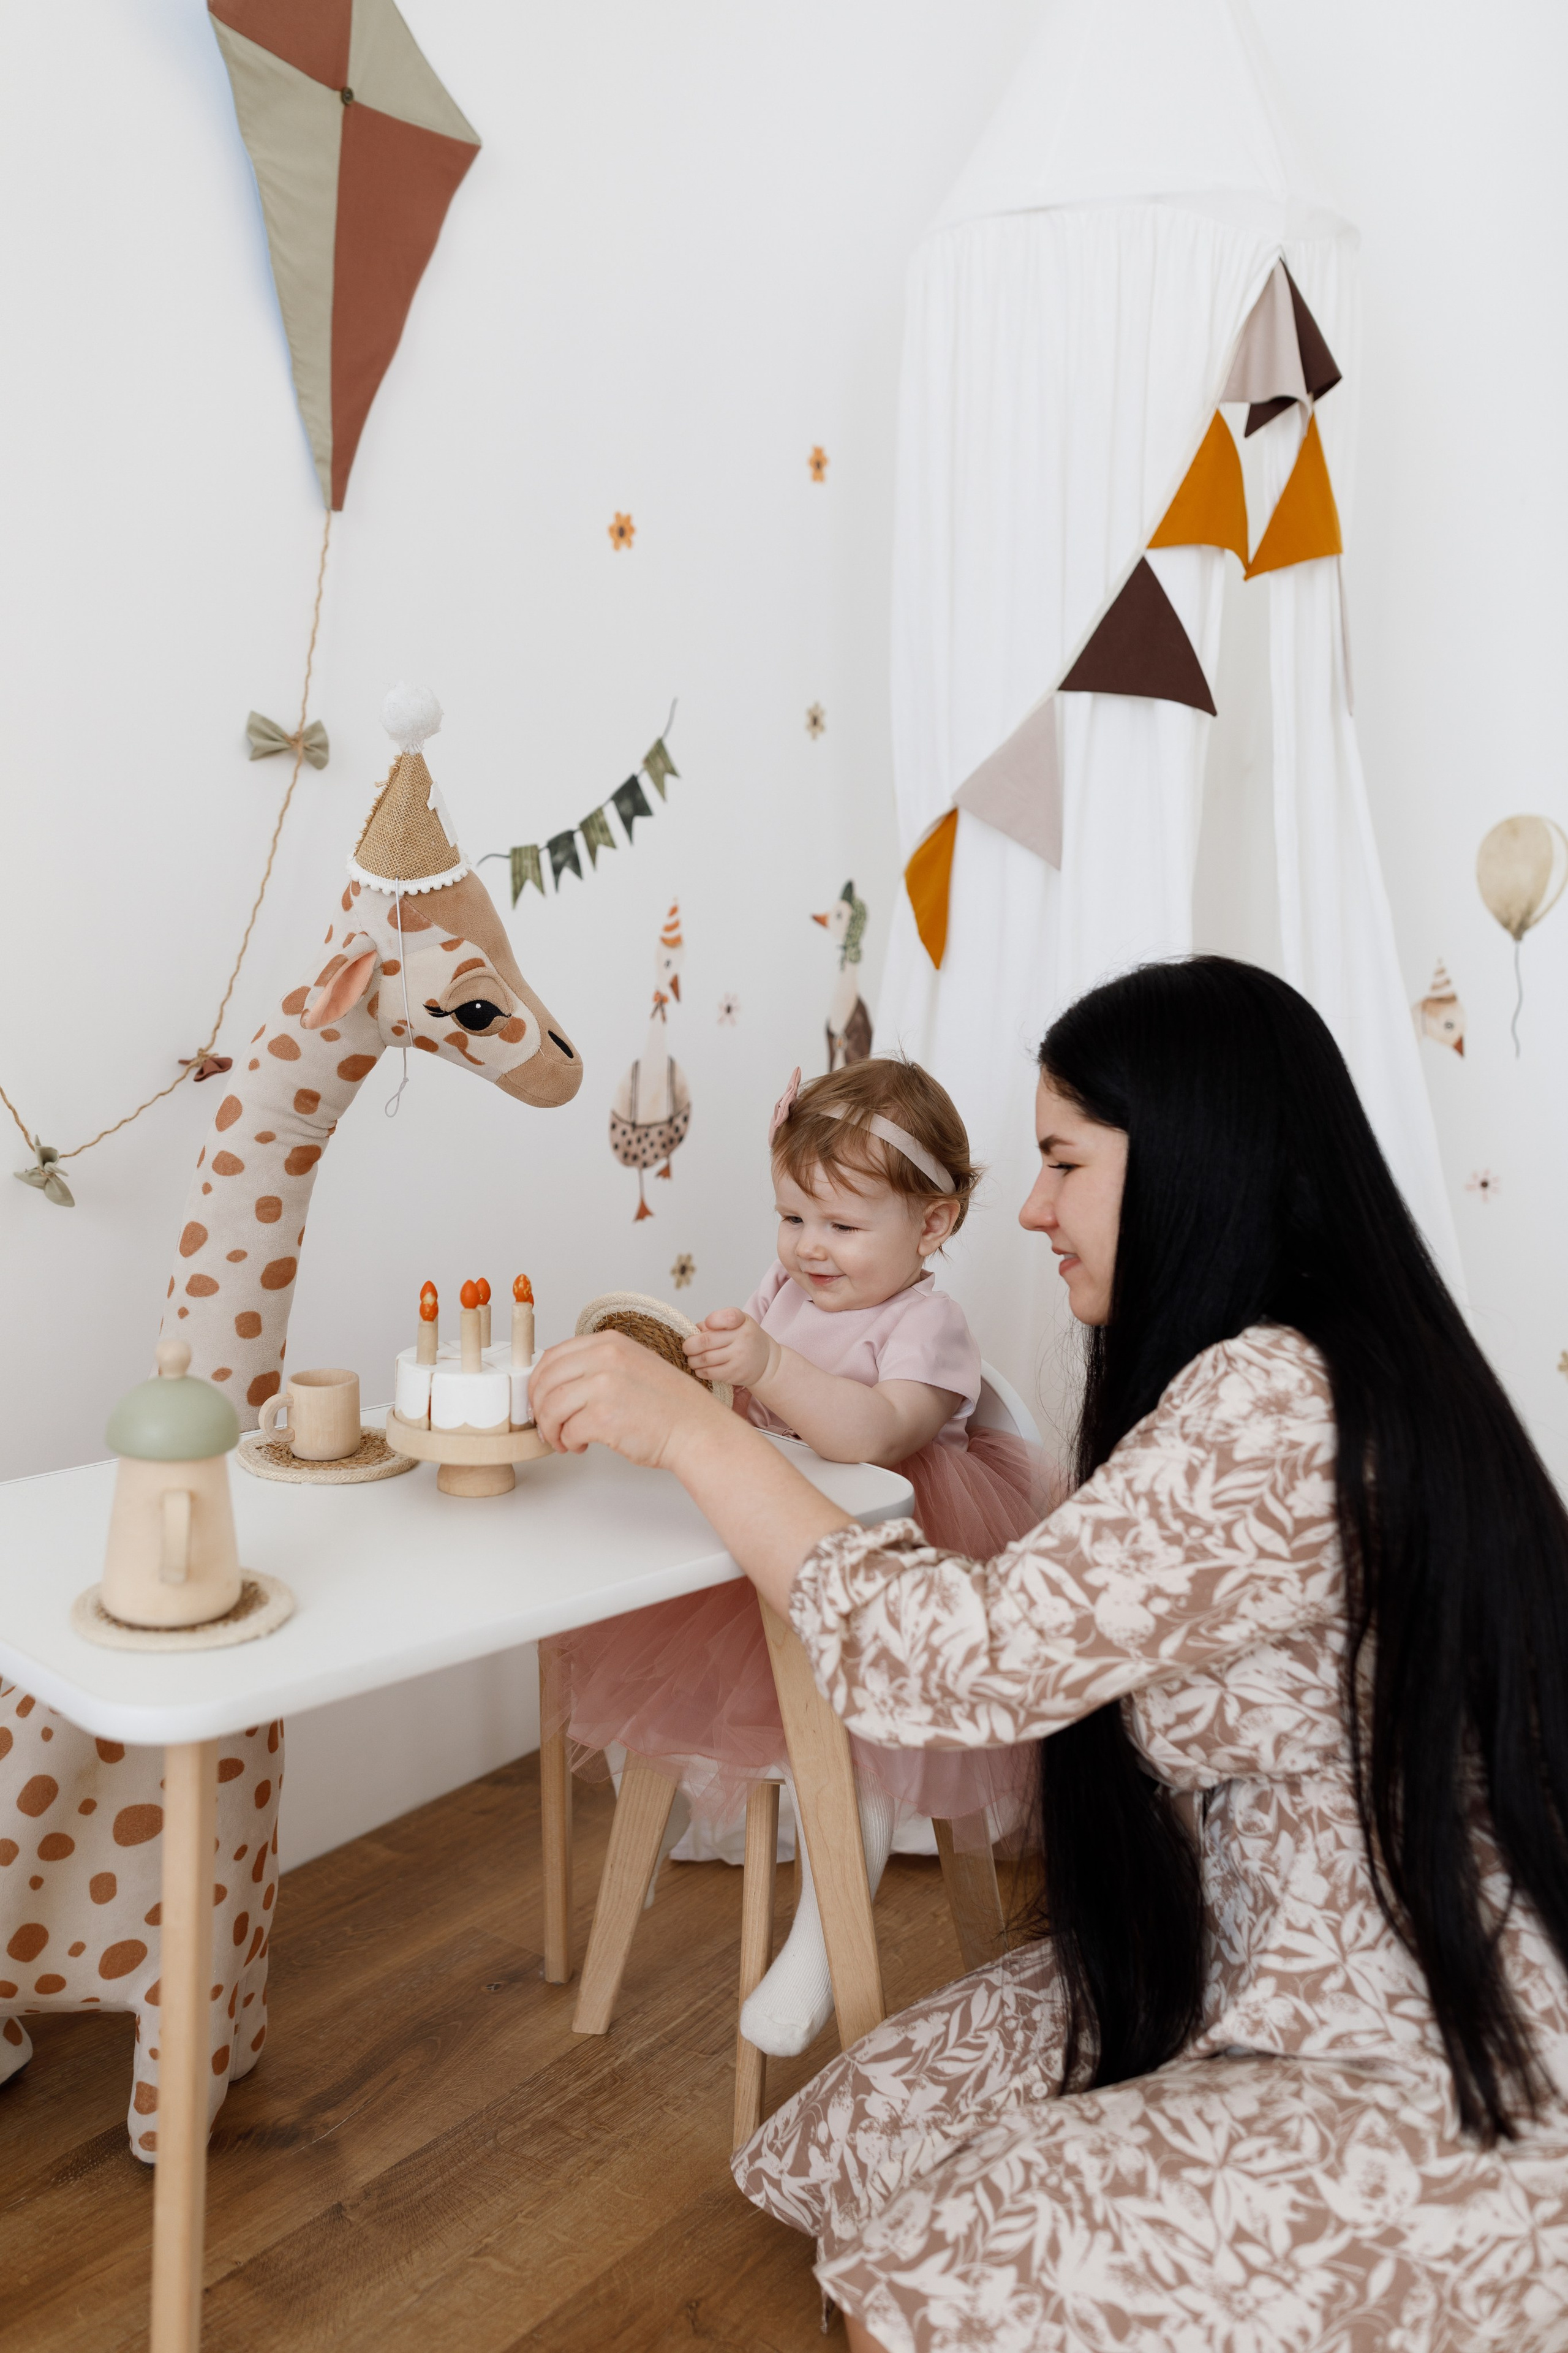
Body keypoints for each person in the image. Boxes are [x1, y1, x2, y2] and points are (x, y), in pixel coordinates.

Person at [530, 958, 1568, 2353]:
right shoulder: (1251, 1369)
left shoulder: (1279, 1394)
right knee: (849, 2135)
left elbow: (953, 1661)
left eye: (1062, 1162)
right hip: (1242, 1949)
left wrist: (696, 1431)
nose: (1032, 1208)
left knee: (940, 2263)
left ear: (1193, 1158)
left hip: (1389, 2016)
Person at [551, 1057, 1049, 2057]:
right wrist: (710, 1370)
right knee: (641, 1665)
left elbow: (870, 1432)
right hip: (763, 1544)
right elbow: (752, 1418)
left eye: (841, 1226)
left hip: (891, 1570)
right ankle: (659, 1831)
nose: (809, 1249)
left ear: (935, 1224)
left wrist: (774, 1366)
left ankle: (822, 1947)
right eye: (793, 1218)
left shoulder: (928, 1326)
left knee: (854, 1752)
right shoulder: (784, 1287)